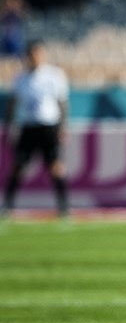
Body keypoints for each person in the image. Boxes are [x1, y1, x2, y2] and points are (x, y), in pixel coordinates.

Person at [2, 39, 70, 218]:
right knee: (17, 166)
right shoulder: (21, 78)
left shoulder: (54, 75)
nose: (35, 57)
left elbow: (62, 103)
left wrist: (63, 126)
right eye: (31, 54)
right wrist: (10, 126)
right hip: (28, 127)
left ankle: (63, 206)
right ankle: (7, 206)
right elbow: (13, 104)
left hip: (48, 126)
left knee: (55, 166)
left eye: (38, 53)